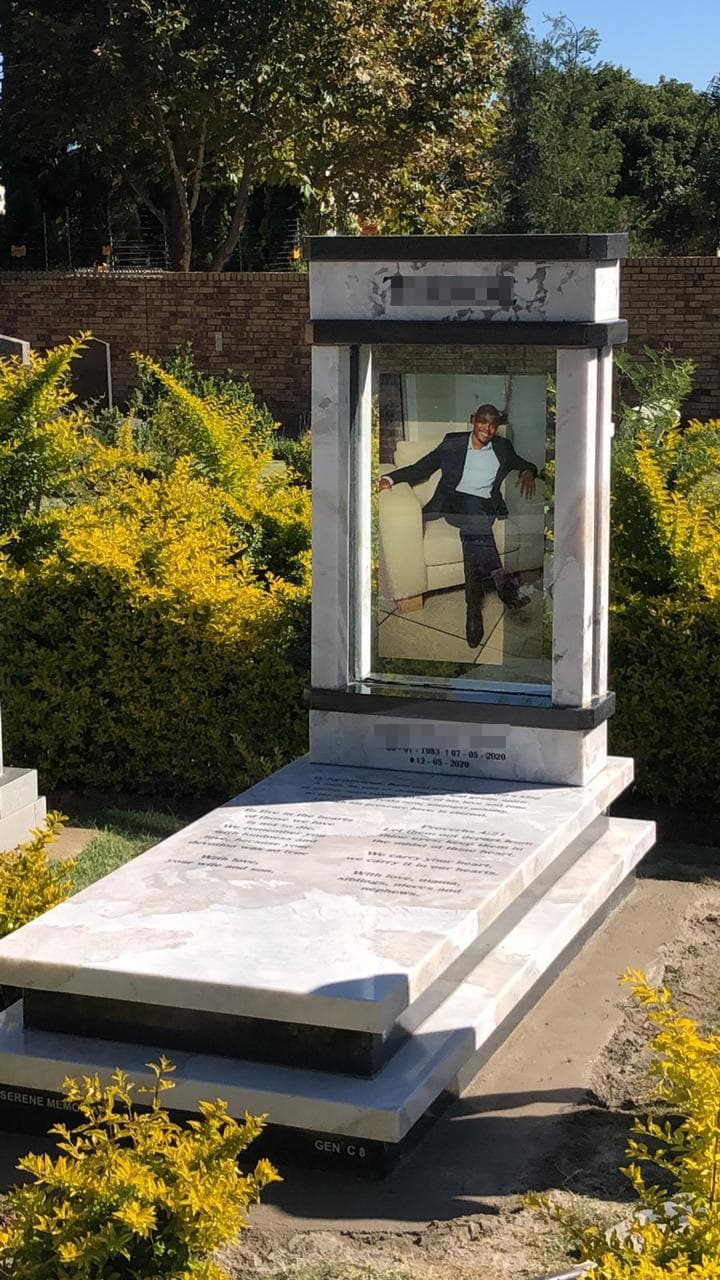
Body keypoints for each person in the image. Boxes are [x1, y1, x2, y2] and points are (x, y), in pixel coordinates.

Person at [379, 404, 540, 647]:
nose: (487, 428)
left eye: (493, 424)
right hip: (453, 504)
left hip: (485, 509)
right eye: (483, 422)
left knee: (472, 531)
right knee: (470, 509)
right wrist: (390, 477)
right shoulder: (453, 442)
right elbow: (423, 467)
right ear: (473, 421)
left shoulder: (502, 447)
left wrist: (528, 472)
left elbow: (525, 463)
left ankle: (473, 611)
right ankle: (500, 588)